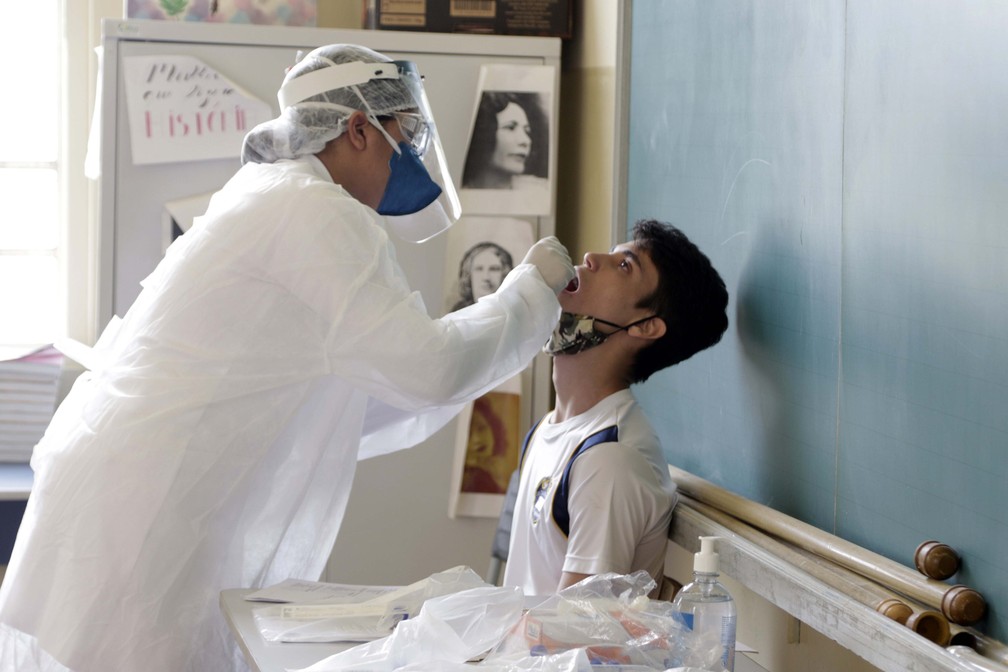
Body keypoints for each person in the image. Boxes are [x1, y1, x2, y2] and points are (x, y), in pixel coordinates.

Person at [0, 44, 573, 672]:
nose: (409, 157)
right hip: (150, 505)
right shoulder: (314, 210)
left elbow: (369, 395)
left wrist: (494, 337)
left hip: (139, 487)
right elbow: (428, 369)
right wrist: (528, 293)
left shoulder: (275, 193)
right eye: (403, 137)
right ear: (359, 128)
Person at [502, 219, 729, 596]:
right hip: (514, 653)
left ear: (645, 327)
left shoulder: (609, 460)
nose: (591, 258)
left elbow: (572, 630)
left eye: (624, 265)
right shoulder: (547, 430)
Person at [461, 91, 549, 190]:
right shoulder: (455, 193)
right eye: (510, 127)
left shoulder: (540, 189)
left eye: (527, 131)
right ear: (483, 134)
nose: (526, 141)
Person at [452, 241, 514, 311]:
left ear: (505, 274)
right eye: (479, 269)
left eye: (494, 269)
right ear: (469, 274)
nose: (486, 277)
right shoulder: (457, 314)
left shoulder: (513, 311)